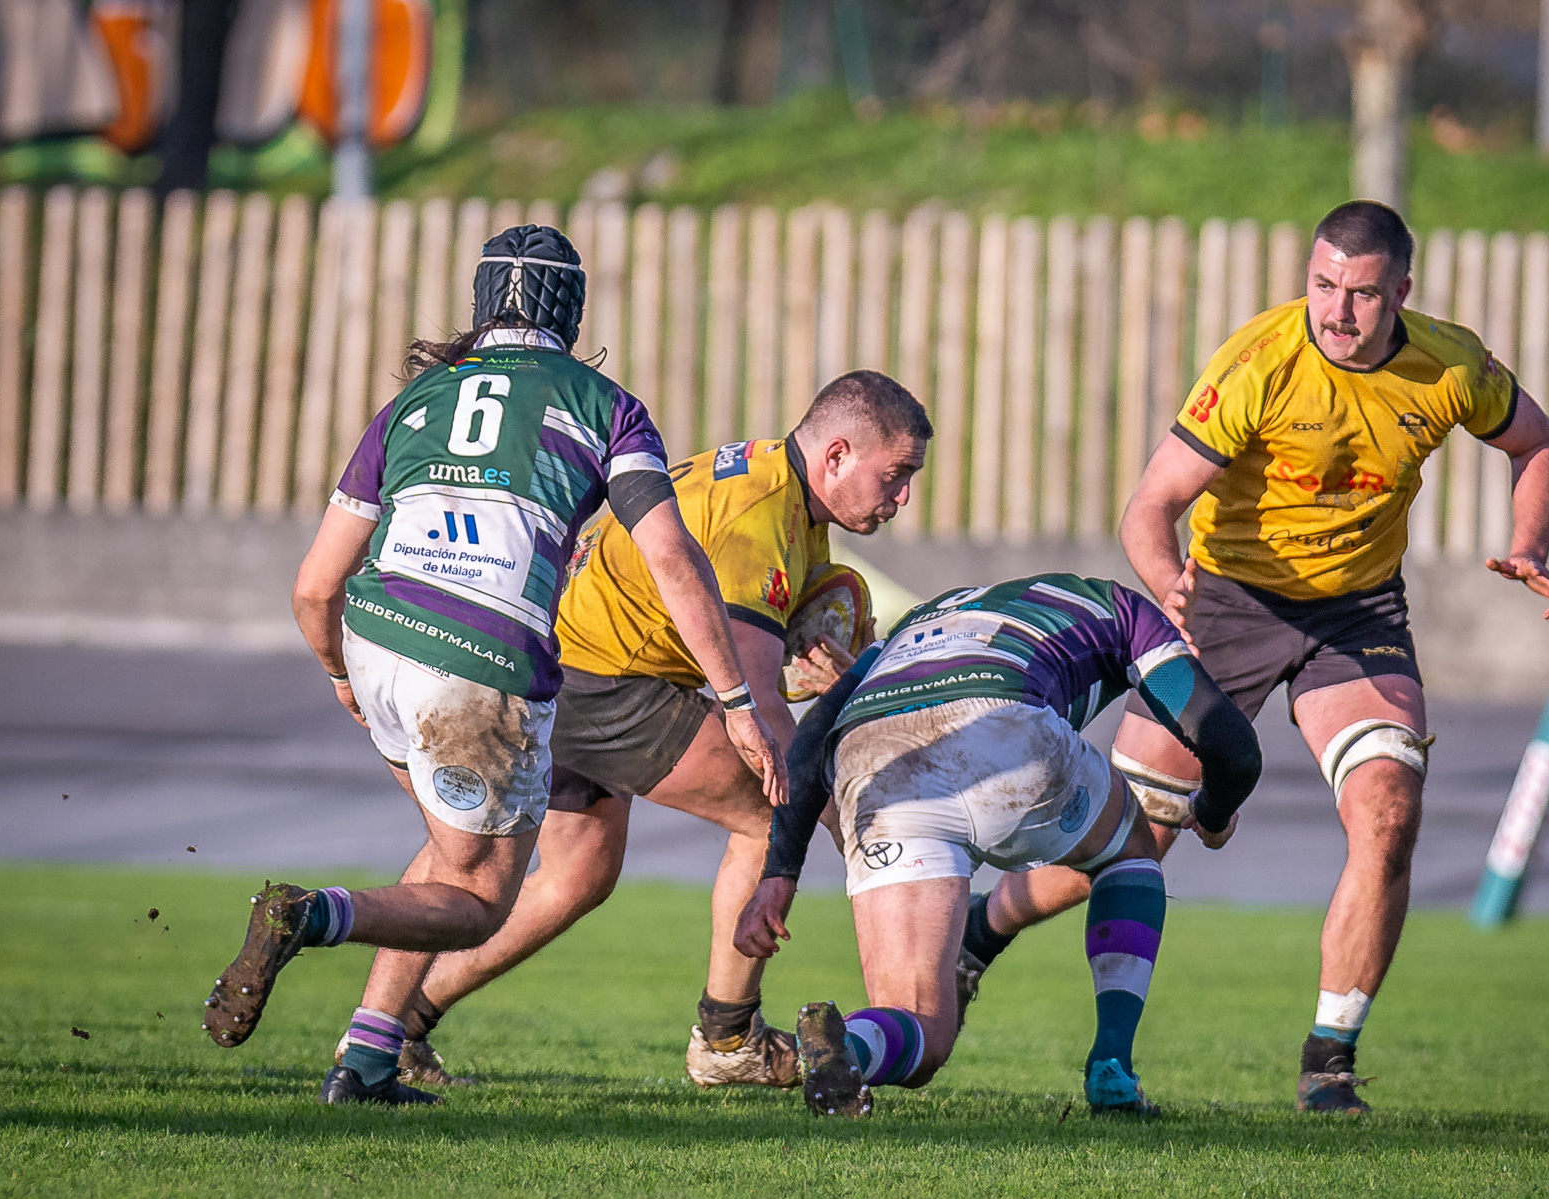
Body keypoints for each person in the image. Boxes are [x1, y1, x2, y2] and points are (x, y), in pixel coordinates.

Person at [957, 200, 1549, 1114]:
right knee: (1127, 840)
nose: (1337, 310)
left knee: (1390, 807)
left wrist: (1531, 542)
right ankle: (980, 930)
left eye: (1361, 294)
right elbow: (1149, 508)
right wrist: (1167, 594)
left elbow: (1536, 439)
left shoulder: (1450, 364)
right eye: (1323, 285)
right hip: (1228, 605)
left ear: (1400, 290)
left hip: (1357, 614)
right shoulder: (1260, 364)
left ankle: (1329, 1059)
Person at [202, 225, 784, 1106]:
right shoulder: (603, 404)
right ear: (574, 310)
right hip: (480, 661)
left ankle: (364, 1062)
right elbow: (672, 559)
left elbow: (315, 585)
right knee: (480, 899)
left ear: (481, 302)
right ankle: (312, 913)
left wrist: (339, 675)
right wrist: (738, 696)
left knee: (449, 852)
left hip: (373, 638)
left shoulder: (418, 401)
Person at [362, 371, 931, 1092]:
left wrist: (802, 658)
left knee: (577, 875)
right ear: (839, 455)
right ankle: (728, 1039)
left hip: (558, 656)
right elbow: (760, 707)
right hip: (602, 677)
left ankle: (401, 1020)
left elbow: (747, 641)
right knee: (770, 806)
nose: (903, 496)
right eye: (897, 474)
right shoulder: (763, 515)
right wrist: (868, 842)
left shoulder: (772, 482)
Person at [734, 574, 1263, 1118]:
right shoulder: (1126, 609)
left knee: (921, 1028)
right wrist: (1211, 811)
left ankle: (848, 1048)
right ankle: (1112, 1070)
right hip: (999, 727)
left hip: (874, 759)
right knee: (1129, 847)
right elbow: (1232, 746)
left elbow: (814, 737)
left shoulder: (918, 619)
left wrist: (779, 874)